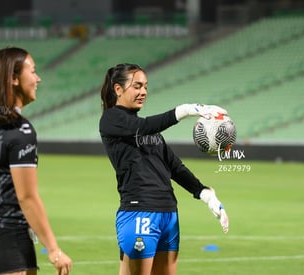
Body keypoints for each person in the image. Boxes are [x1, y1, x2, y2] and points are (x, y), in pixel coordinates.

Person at [99, 63, 230, 275]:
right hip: (139, 211)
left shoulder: (148, 130)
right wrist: (186, 110)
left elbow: (174, 167)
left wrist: (205, 194)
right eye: (137, 86)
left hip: (168, 213)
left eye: (146, 87)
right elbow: (144, 127)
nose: (143, 92)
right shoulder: (111, 119)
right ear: (118, 89)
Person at [0, 47, 72, 275]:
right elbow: (26, 196)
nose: (38, 78)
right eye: (33, 71)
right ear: (13, 79)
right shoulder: (19, 129)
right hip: (7, 236)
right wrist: (53, 250)